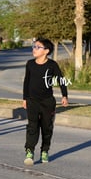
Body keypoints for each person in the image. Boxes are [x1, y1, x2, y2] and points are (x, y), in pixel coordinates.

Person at [22, 37, 68, 165]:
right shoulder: (30, 64)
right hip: (32, 101)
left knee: (47, 128)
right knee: (32, 126)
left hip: (47, 102)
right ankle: (29, 151)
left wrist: (64, 96)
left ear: (46, 51)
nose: (34, 49)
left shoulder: (52, 65)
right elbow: (27, 82)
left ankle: (45, 151)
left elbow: (61, 80)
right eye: (34, 47)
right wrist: (25, 98)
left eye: (38, 47)